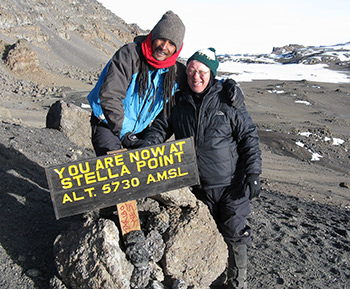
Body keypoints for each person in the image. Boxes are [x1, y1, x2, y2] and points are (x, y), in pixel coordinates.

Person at [140, 48, 262, 289]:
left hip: (231, 184)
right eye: (192, 71)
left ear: (212, 74)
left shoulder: (227, 100)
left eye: (202, 72)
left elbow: (249, 136)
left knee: (235, 232)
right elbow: (160, 129)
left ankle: (237, 284)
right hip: (196, 186)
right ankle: (211, 281)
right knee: (206, 235)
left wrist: (253, 173)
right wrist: (146, 146)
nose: (196, 76)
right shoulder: (178, 101)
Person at [87, 11, 186, 156]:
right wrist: (126, 133)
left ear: (177, 49)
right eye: (161, 39)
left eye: (171, 44)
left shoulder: (176, 73)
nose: (164, 46)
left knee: (140, 173)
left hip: (139, 130)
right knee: (114, 169)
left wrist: (224, 87)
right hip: (107, 122)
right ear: (153, 36)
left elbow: (200, 83)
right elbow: (110, 96)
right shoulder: (130, 55)